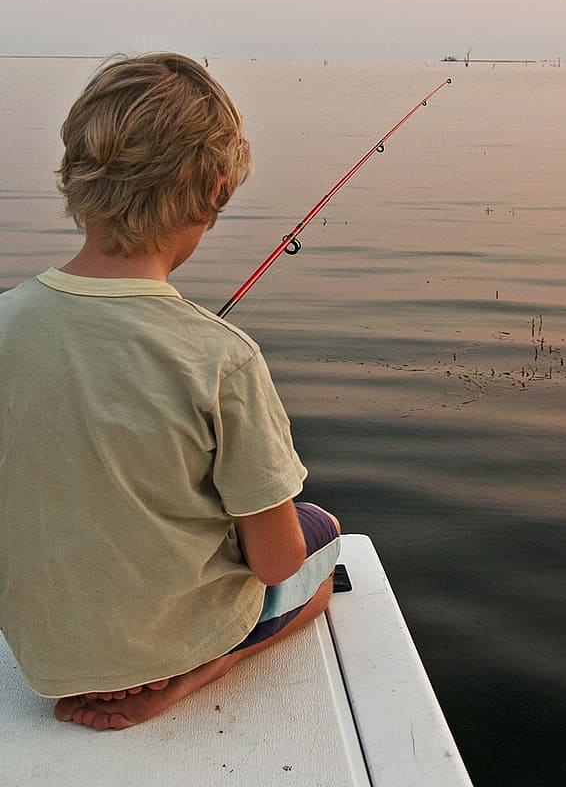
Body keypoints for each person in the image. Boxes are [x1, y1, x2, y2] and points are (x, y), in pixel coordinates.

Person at [0, 53, 341, 731]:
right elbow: (276, 560)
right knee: (321, 548)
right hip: (166, 646)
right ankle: (202, 670)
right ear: (215, 190)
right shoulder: (223, 358)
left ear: (74, 174)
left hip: (45, 655)